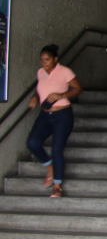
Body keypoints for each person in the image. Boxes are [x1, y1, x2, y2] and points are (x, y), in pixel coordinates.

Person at [26, 44, 82, 198]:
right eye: (42, 59)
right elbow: (40, 87)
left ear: (55, 59)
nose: (44, 62)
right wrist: (35, 97)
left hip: (62, 116)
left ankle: (57, 186)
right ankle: (49, 167)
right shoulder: (40, 72)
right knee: (32, 143)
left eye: (47, 59)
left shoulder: (64, 71)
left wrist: (61, 95)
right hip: (45, 115)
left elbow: (78, 88)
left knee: (56, 150)